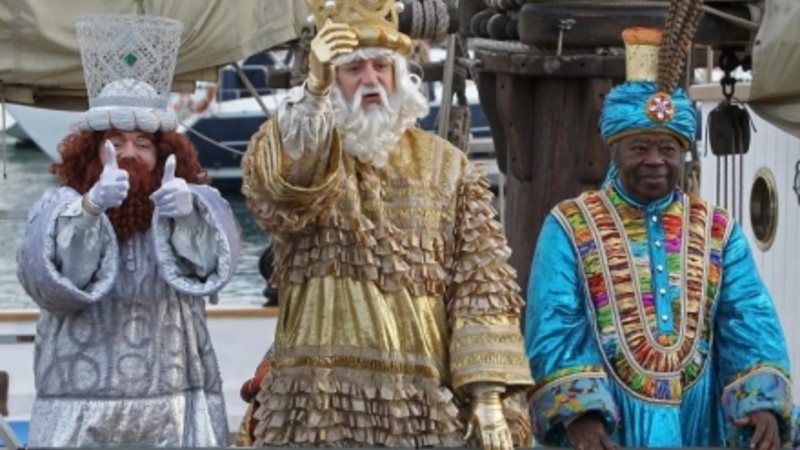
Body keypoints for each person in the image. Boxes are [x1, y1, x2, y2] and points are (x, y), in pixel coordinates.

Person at [239, 0, 534, 447]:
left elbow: (481, 285)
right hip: (316, 402)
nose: (370, 79)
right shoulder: (308, 150)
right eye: (352, 68)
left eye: (381, 66)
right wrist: (313, 91)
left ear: (399, 75)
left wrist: (488, 393)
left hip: (420, 402)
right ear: (330, 76)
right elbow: (283, 189)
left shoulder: (447, 166)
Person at [524, 26, 793, 449]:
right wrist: (580, 414)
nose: (655, 161)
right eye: (640, 148)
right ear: (614, 150)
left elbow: (748, 317)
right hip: (609, 426)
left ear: (682, 153)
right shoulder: (570, 225)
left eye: (668, 149)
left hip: (698, 422)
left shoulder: (716, 229)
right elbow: (554, 324)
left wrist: (761, 404)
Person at [16, 13, 240, 447]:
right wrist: (89, 210)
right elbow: (50, 287)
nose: (129, 154)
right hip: (80, 412)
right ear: (91, 154)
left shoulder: (191, 201)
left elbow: (212, 271)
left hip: (171, 408)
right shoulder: (58, 207)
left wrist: (188, 217)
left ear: (165, 153)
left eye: (142, 144)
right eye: (115, 144)